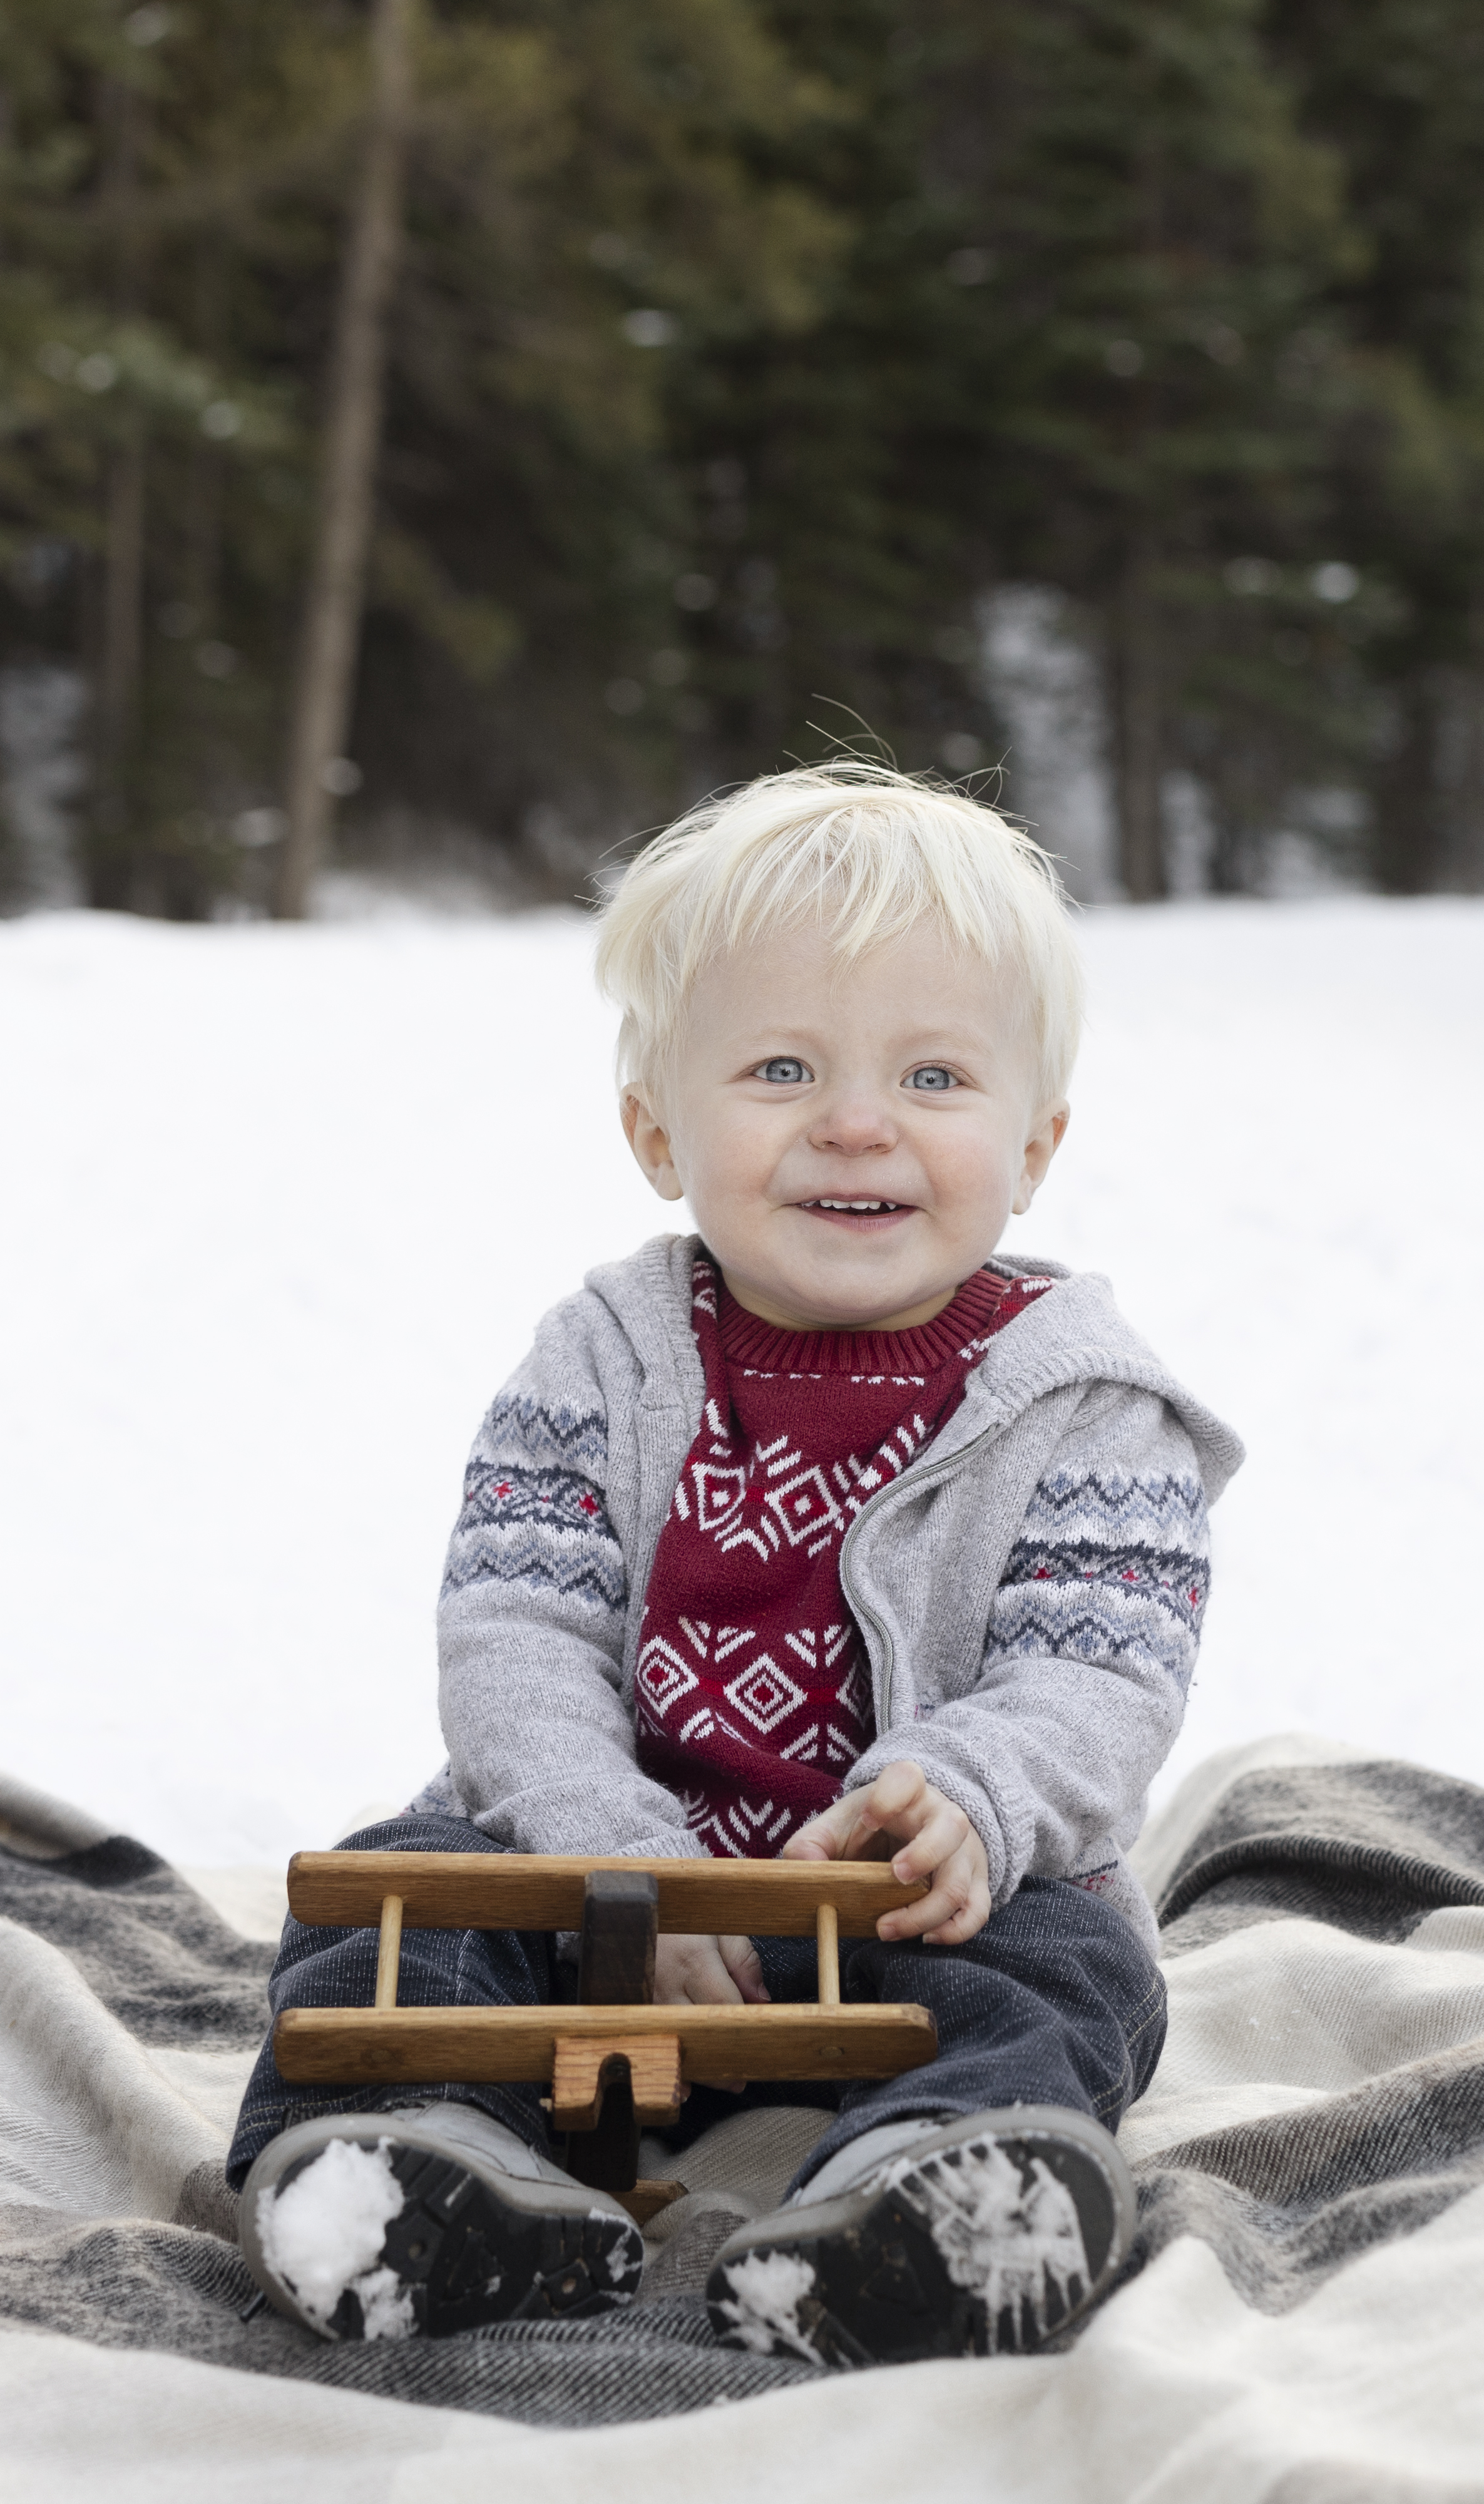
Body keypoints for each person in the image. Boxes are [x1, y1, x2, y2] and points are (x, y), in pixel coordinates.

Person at [225, 762, 1238, 2367]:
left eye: (934, 1074)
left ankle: (928, 2196)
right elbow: (514, 1630)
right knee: (404, 1902)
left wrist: (970, 1791)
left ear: (1035, 1142)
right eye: (782, 1066)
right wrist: (603, 1844)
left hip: (918, 1915)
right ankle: (413, 2170)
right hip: (605, 1900)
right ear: (655, 1127)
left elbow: (1100, 1672)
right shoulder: (603, 1358)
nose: (856, 1120)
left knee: (1079, 1961)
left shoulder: (1087, 1405)